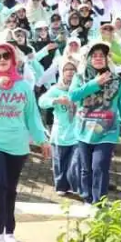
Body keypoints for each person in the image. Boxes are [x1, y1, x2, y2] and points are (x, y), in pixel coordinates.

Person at [0, 42, 50, 242]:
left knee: (10, 188)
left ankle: (9, 231)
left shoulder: (23, 85)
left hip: (17, 143)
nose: (2, 60)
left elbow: (32, 116)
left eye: (5, 55)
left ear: (13, 58)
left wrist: (43, 140)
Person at [68, 41, 121, 204]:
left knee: (100, 167)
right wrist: (94, 83)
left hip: (108, 132)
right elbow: (73, 96)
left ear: (107, 59)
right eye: (95, 55)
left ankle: (99, 203)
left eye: (102, 55)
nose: (98, 58)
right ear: (89, 58)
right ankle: (87, 199)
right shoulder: (80, 77)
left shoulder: (117, 80)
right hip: (84, 131)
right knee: (86, 169)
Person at [39, 58, 81, 196]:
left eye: (72, 69)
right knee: (60, 162)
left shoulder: (81, 88)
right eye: (66, 69)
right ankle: (62, 186)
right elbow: (42, 101)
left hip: (78, 133)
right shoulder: (56, 89)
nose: (70, 72)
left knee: (76, 162)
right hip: (61, 132)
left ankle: (76, 185)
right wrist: (56, 100)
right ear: (62, 72)